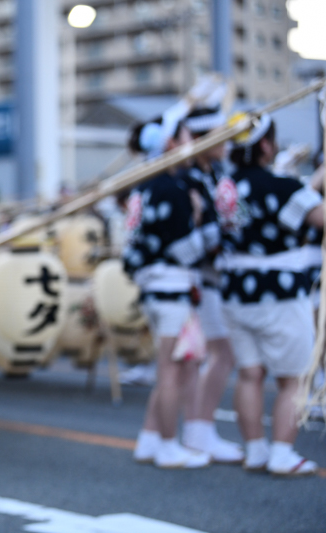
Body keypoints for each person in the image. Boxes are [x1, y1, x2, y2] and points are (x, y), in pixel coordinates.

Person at [215, 113, 323, 475]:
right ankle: (282, 452)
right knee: (291, 378)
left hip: (235, 294)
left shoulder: (225, 188)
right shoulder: (282, 187)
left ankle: (256, 450)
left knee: (250, 374)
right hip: (279, 292)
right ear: (265, 144)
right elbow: (317, 217)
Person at [123, 112, 211, 469]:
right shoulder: (171, 188)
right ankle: (168, 444)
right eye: (187, 136)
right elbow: (184, 248)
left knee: (168, 368)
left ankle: (149, 438)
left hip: (152, 286)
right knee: (171, 370)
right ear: (171, 143)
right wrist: (201, 219)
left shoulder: (142, 186)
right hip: (171, 285)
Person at [178, 107, 244, 463]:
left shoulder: (216, 173)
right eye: (220, 133)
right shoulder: (189, 179)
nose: (227, 141)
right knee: (217, 353)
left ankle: (200, 431)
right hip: (198, 278)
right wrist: (222, 230)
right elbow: (194, 235)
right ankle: (198, 431)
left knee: (210, 355)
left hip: (217, 275)